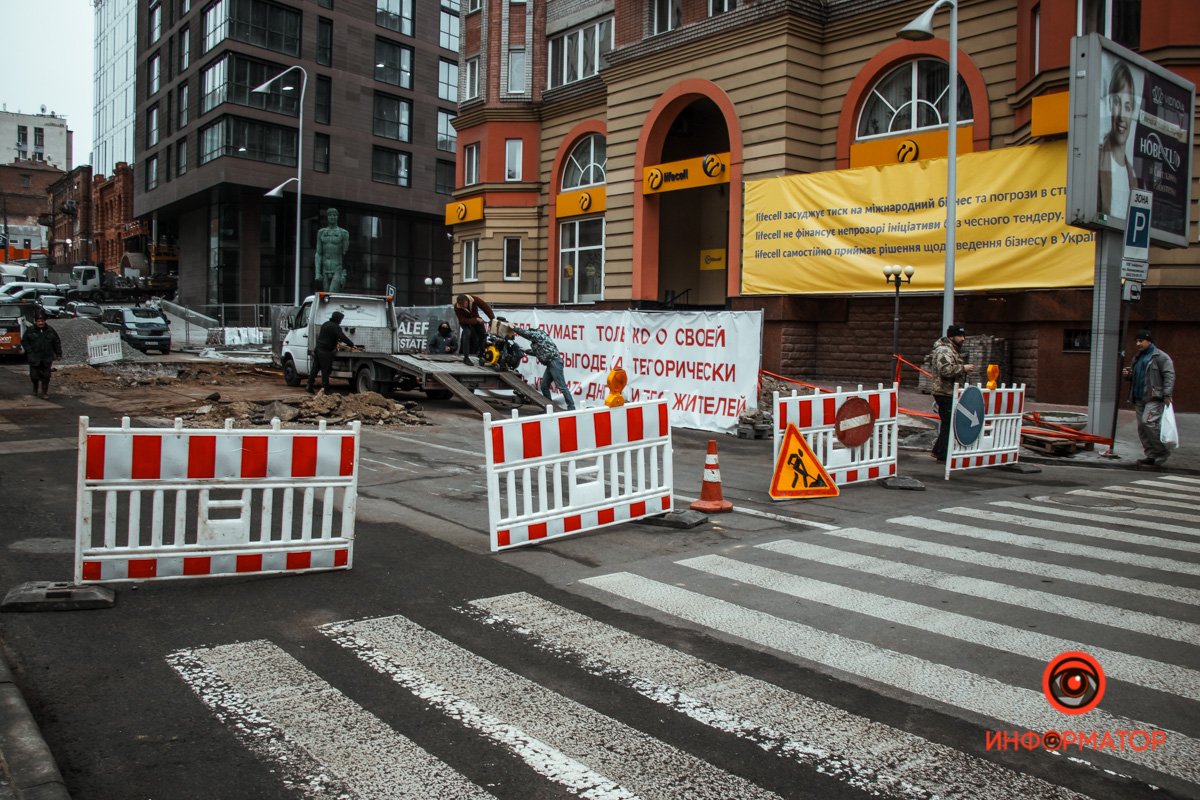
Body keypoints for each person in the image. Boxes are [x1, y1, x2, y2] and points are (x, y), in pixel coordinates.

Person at [1122, 329, 1175, 467]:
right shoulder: (1138, 357)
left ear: (1149, 341)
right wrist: (1128, 374)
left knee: (1148, 423)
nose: (1138, 343)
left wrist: (1167, 394)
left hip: (1154, 397)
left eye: (1141, 341)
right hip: (1139, 397)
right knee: (1142, 427)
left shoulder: (1160, 357)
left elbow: (1169, 375)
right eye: (1137, 341)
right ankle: (1151, 455)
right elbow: (1135, 376)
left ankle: (1162, 451)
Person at [929, 323, 976, 462]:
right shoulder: (944, 350)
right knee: (949, 423)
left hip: (949, 391)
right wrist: (963, 368)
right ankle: (941, 454)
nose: (963, 339)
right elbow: (945, 370)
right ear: (951, 336)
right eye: (960, 336)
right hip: (944, 392)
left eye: (963, 335)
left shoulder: (952, 349)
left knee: (948, 423)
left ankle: (939, 451)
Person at [1098, 61, 1138, 218]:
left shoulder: (1133, 175)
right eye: (1117, 103)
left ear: (1133, 112)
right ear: (1109, 103)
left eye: (1127, 107)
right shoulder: (1096, 159)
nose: (1122, 116)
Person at [512, 324, 576, 411]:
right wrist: (525, 350)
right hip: (551, 364)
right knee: (544, 386)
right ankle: (549, 407)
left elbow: (526, 334)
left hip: (554, 362)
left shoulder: (538, 334)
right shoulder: (539, 341)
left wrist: (513, 327)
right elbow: (537, 353)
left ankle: (571, 407)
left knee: (562, 386)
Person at [306, 311, 356, 394]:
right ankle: (326, 389)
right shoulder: (335, 327)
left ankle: (309, 385)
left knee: (315, 369)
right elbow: (342, 337)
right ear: (337, 319)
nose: (341, 321)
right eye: (340, 319)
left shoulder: (325, 324)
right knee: (326, 370)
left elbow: (329, 336)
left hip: (318, 349)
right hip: (325, 351)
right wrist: (351, 344)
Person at [21, 311, 62, 400]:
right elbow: (24, 341)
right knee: (34, 376)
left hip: (46, 357)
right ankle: (35, 388)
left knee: (46, 376)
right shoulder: (30, 330)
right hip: (34, 357)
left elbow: (57, 342)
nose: (40, 323)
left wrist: (58, 353)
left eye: (42, 321)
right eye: (38, 321)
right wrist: (29, 351)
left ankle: (44, 392)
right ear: (35, 321)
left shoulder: (50, 330)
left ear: (45, 321)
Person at [315, 207, 351, 292]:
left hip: (337, 268)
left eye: (334, 215)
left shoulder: (343, 233)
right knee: (326, 296)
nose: (332, 217)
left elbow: (346, 254)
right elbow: (318, 253)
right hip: (325, 268)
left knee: (332, 294)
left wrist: (344, 274)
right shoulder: (321, 233)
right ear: (327, 217)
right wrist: (317, 272)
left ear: (337, 217)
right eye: (330, 215)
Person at [453, 293, 494, 366]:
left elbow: (485, 307)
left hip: (475, 318)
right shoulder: (457, 307)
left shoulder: (474, 299)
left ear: (467, 301)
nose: (464, 306)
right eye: (462, 305)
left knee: (483, 334)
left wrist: (492, 319)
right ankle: (466, 358)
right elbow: (462, 320)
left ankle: (481, 355)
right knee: (467, 333)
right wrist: (475, 320)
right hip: (465, 321)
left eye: (465, 304)